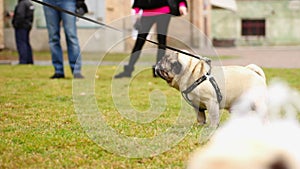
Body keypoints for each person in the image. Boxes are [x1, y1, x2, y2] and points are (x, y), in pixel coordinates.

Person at [115, 0, 188, 78]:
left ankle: (159, 70)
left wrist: (182, 4)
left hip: (163, 11)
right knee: (139, 41)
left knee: (161, 41)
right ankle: (128, 70)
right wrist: (136, 12)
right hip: (147, 13)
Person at [43, 0, 87, 79]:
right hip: (49, 2)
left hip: (68, 1)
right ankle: (58, 71)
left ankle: (76, 71)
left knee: (71, 36)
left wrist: (80, 2)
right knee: (53, 38)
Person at [12, 0, 35, 64]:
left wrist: (15, 24)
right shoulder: (30, 3)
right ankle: (29, 60)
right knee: (26, 43)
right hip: (27, 26)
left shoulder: (22, 4)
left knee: (21, 44)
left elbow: (20, 15)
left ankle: (23, 61)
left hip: (21, 27)